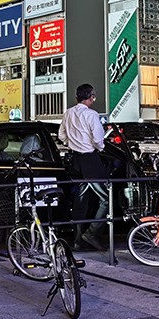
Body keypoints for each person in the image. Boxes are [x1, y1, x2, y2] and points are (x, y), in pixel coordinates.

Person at [58, 83, 108, 251]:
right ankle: (92, 233)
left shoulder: (68, 113)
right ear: (91, 97)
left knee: (80, 202)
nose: (94, 99)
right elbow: (98, 140)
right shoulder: (92, 115)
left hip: (75, 161)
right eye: (93, 96)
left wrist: (71, 143)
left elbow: (61, 135)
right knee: (106, 199)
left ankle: (78, 241)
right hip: (90, 161)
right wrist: (99, 147)